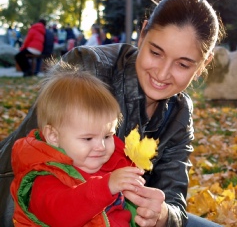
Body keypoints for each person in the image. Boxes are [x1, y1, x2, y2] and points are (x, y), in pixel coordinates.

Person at [0, 0, 225, 227]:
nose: (162, 73)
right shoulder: (87, 69)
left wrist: (162, 214)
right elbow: (30, 165)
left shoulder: (179, 112)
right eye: (156, 53)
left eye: (182, 64)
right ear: (143, 33)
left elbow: (175, 202)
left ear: (203, 64)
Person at [10, 66, 145, 226]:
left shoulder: (111, 163)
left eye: (108, 136)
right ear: (53, 136)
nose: (101, 146)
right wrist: (106, 187)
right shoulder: (44, 178)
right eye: (88, 139)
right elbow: (61, 214)